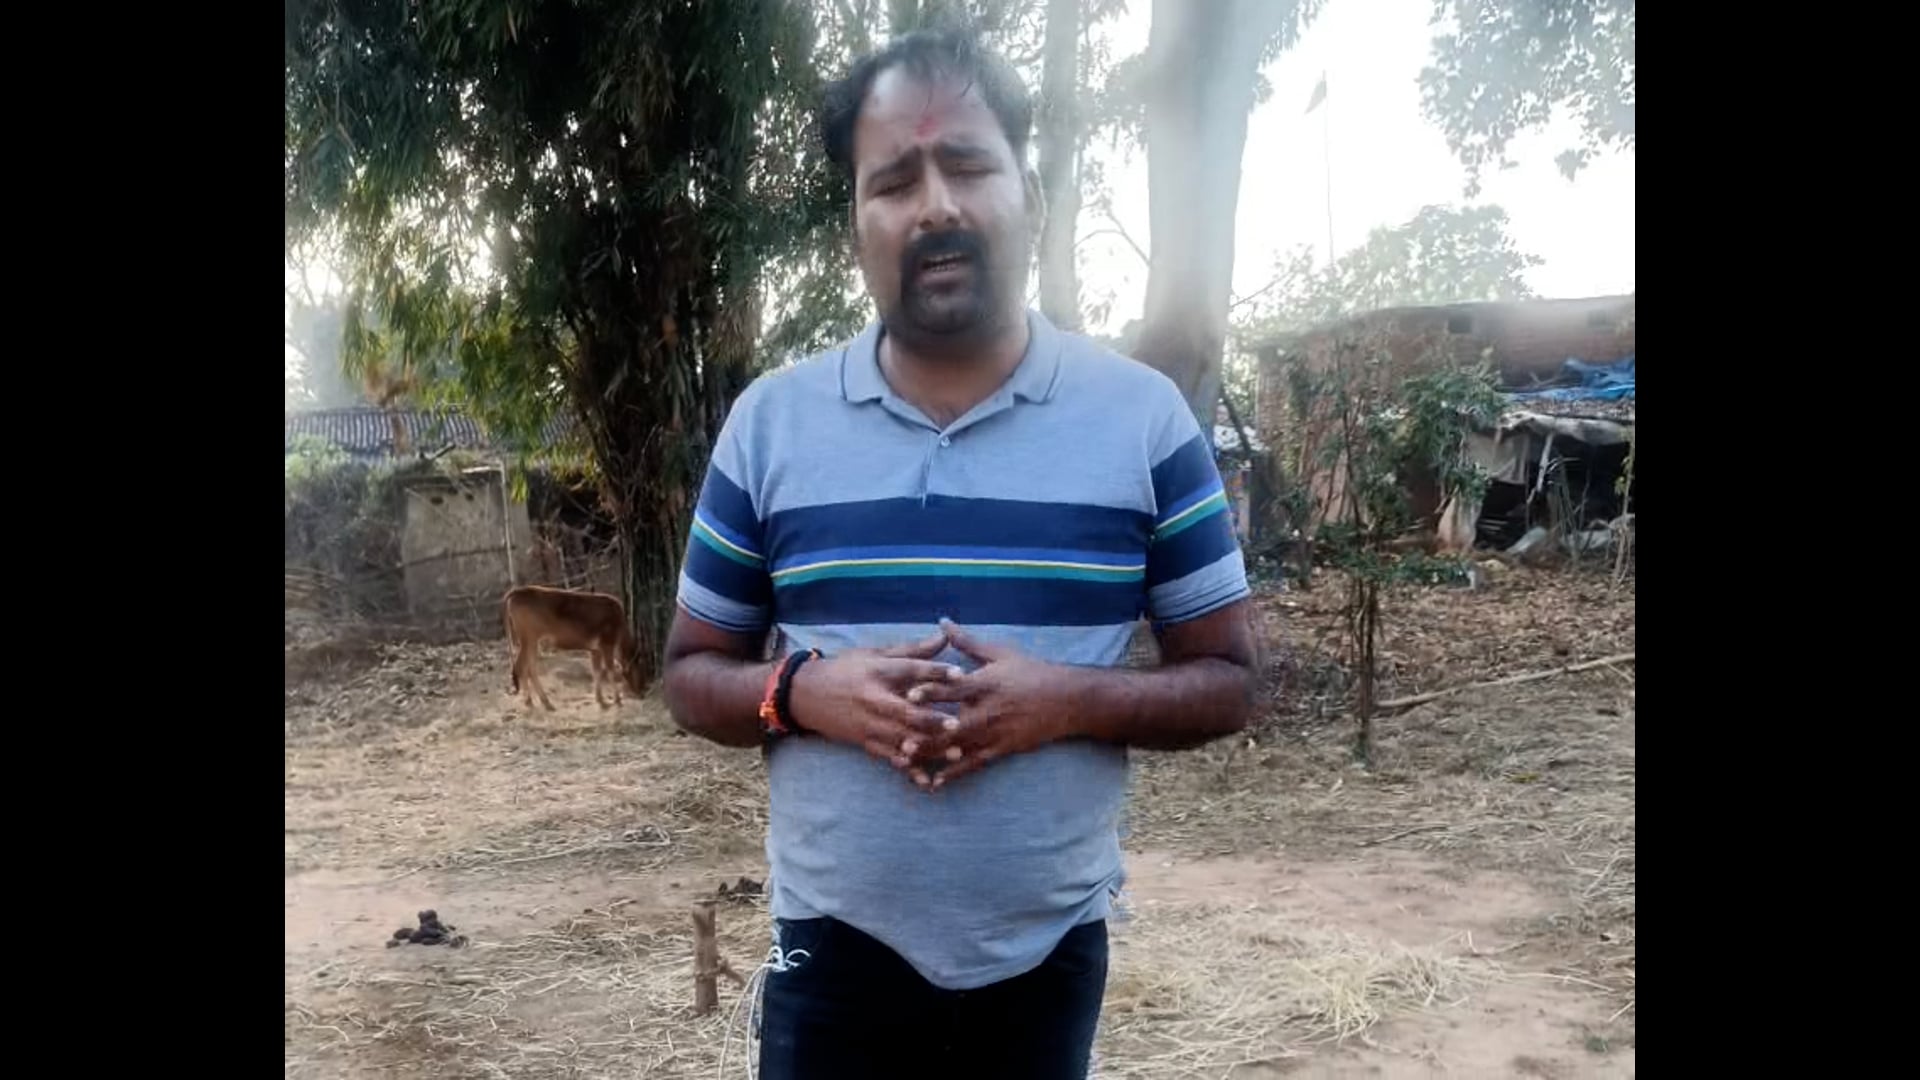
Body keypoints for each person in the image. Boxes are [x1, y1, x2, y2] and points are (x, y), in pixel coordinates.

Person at [662, 27, 1258, 1080]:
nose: (934, 204)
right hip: (829, 948)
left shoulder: (1143, 423)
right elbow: (689, 676)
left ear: (1030, 192)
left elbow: (1229, 682)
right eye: (893, 181)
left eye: (969, 165)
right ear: (856, 225)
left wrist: (1068, 702)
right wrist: (803, 693)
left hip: (1047, 952)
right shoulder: (770, 428)